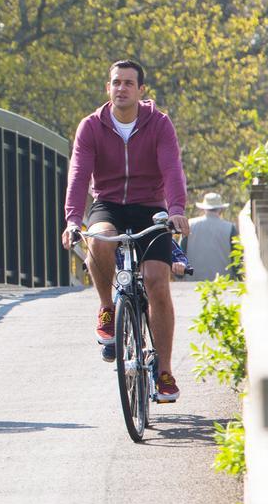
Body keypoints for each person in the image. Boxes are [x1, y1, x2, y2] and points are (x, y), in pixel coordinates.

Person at [61, 60, 189, 402]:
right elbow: (77, 176)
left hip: (151, 206)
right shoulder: (90, 127)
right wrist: (73, 220)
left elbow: (172, 169)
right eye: (116, 82)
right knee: (97, 238)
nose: (122, 88)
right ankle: (107, 307)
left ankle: (164, 371)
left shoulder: (159, 124)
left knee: (157, 282)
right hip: (109, 203)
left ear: (141, 90)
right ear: (108, 88)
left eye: (129, 83)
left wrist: (176, 211)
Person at [181, 192, 237, 281]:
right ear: (220, 209)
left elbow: (181, 252)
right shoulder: (230, 228)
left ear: (204, 208)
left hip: (193, 281)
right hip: (223, 282)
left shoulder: (190, 225)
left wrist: (179, 276)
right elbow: (236, 258)